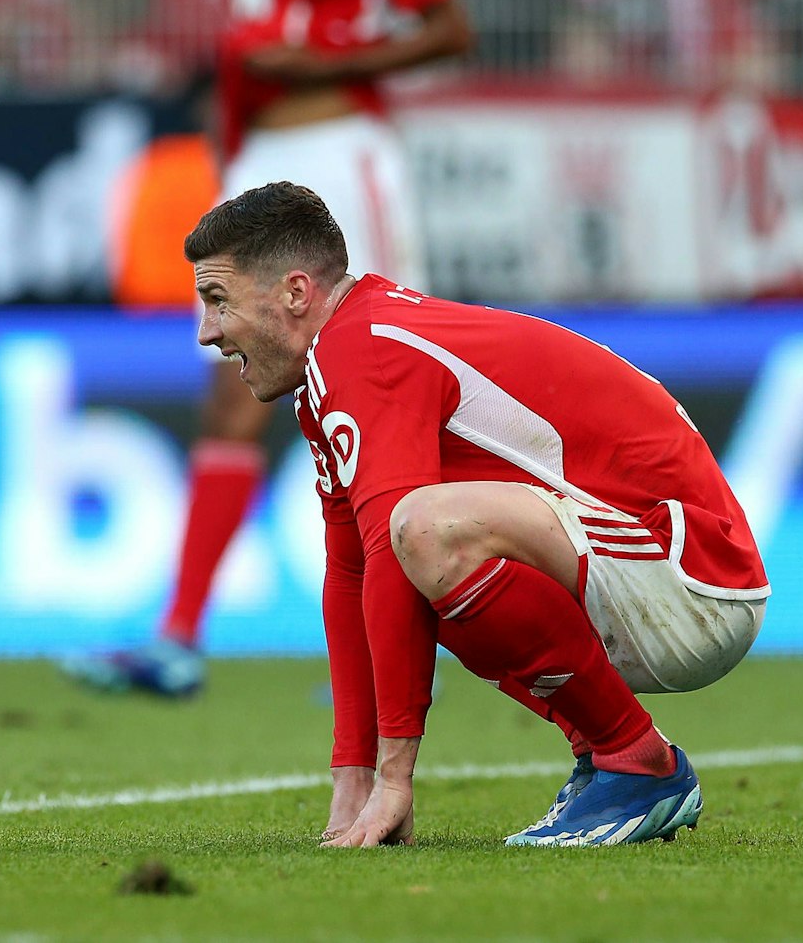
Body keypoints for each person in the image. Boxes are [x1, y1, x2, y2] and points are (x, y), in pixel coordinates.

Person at [63, 0, 472, 697]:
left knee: (381, 384)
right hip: (260, 163)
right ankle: (178, 635)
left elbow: (449, 27)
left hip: (342, 153)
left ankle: (466, 603)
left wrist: (324, 62)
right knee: (229, 386)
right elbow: (247, 37)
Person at [187, 181, 769, 847]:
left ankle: (636, 760)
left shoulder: (363, 348)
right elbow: (351, 574)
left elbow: (394, 550)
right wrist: (353, 776)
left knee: (424, 533)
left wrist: (395, 778)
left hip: (691, 577)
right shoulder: (343, 355)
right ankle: (610, 756)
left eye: (218, 300)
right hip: (645, 566)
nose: (207, 331)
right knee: (415, 550)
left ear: (296, 292)